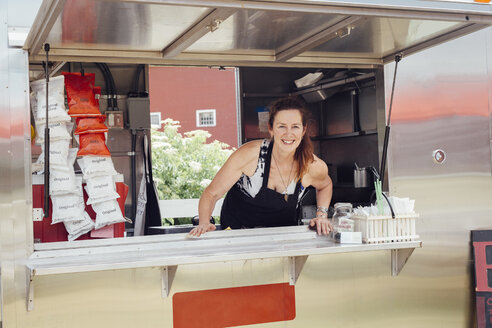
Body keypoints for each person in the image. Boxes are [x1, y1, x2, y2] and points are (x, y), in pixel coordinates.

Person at [189, 97, 333, 237]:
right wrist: (204, 222)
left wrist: (321, 215)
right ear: (271, 128)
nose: (288, 134)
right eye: (281, 126)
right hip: (236, 235)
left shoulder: (312, 165)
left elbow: (325, 185)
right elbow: (211, 193)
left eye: (295, 126)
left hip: (282, 239)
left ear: (303, 130)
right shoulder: (250, 155)